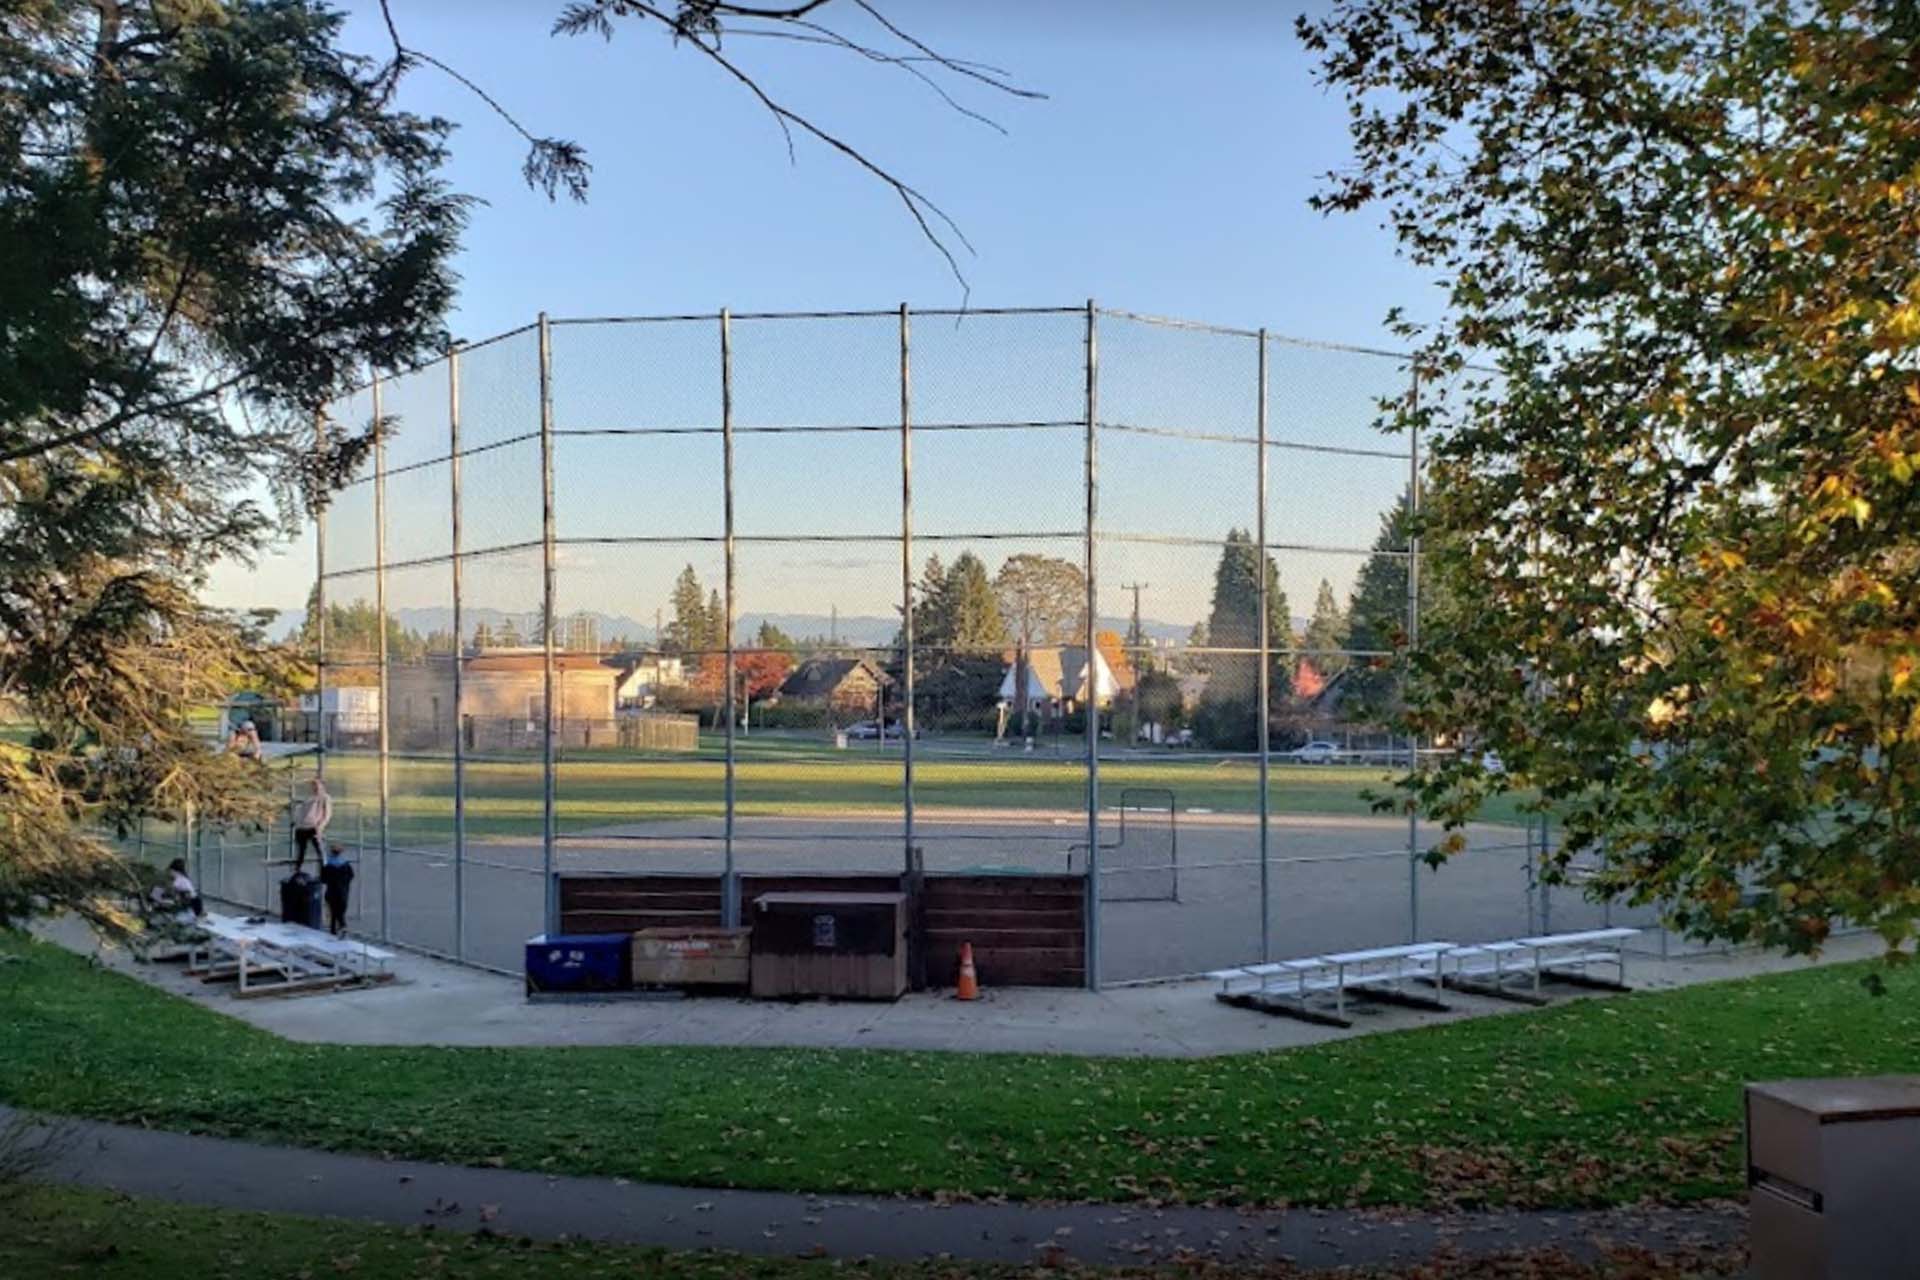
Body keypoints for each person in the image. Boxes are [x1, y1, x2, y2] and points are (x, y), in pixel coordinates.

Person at [292, 776, 332, 873]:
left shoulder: (325, 797)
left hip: (314, 828)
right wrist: (296, 822)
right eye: (313, 785)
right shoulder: (309, 798)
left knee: (320, 851)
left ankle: (324, 873)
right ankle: (297, 872)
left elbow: (327, 815)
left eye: (317, 784)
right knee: (300, 852)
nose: (315, 787)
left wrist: (320, 827)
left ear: (322, 786)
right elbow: (301, 812)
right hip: (302, 828)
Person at [318, 844, 355, 937]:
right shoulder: (346, 865)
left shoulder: (328, 866)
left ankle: (338, 928)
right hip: (343, 891)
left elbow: (323, 879)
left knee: (333, 910)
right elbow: (351, 876)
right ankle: (339, 927)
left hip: (332, 891)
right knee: (340, 910)